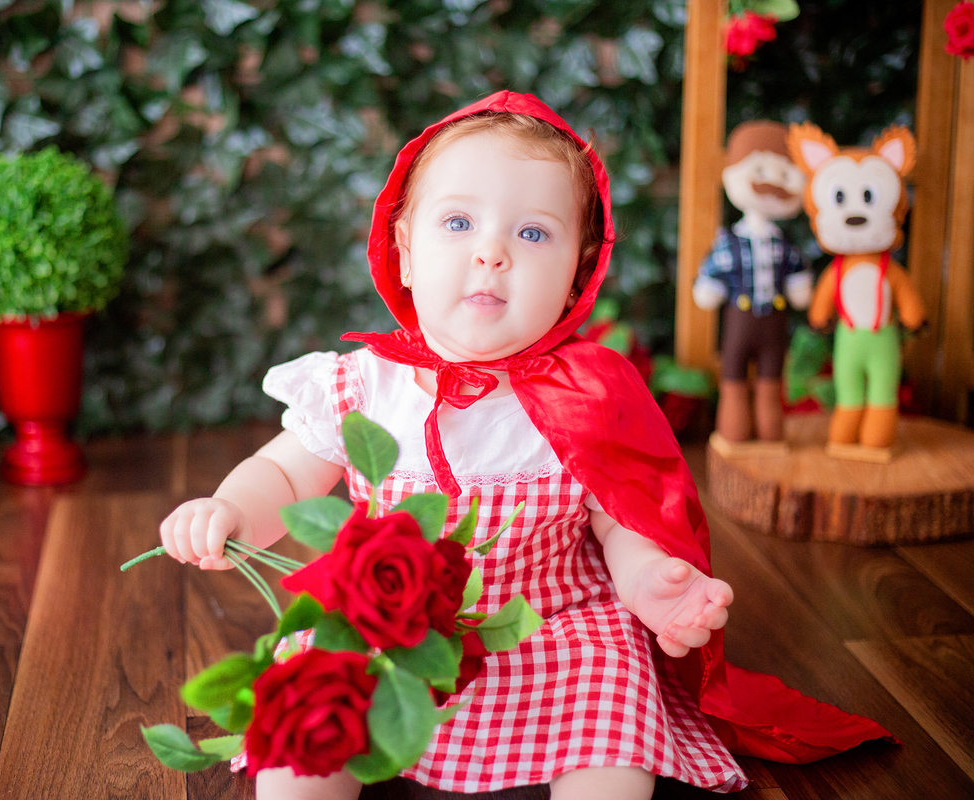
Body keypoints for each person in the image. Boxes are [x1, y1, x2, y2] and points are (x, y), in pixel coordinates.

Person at [159, 92, 890, 799]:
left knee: (613, 696)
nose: (492, 254)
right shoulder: (363, 385)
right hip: (390, 628)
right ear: (404, 253)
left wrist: (652, 584)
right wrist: (228, 509)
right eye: (456, 223)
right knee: (312, 710)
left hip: (552, 629)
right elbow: (283, 478)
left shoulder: (585, 397)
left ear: (577, 274)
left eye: (533, 233)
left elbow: (621, 525)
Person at [692, 121, 813, 445]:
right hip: (739, 321)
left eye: (784, 176)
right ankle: (734, 432)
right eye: (760, 171)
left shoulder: (784, 245)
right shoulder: (728, 242)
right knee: (732, 379)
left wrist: (801, 285)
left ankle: (771, 434)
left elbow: (798, 279)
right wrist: (709, 285)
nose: (772, 185)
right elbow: (710, 281)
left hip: (774, 324)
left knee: (771, 382)